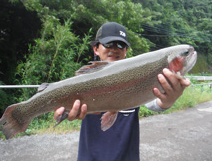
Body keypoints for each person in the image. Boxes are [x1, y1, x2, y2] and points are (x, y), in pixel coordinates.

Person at [54, 22, 191, 161]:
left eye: (120, 45)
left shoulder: (137, 76)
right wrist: (63, 112)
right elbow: (59, 103)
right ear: (96, 49)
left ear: (126, 50)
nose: (115, 49)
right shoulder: (83, 81)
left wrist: (168, 100)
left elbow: (155, 103)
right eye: (108, 44)